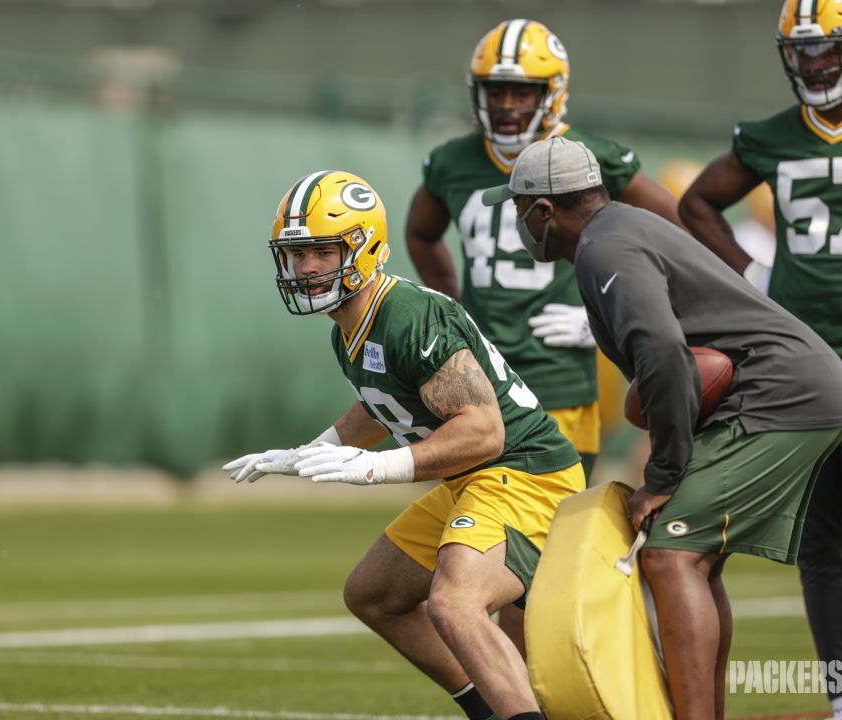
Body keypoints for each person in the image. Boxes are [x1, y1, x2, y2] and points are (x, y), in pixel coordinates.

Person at [484, 136, 842, 720]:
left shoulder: (604, 248)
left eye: (518, 208)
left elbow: (663, 353)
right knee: (695, 558)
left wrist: (663, 474)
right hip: (783, 388)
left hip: (779, 395)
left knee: (671, 554)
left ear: (544, 211)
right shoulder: (618, 229)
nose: (519, 223)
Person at [225, 170, 584, 720]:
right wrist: (306, 453)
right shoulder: (349, 323)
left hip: (524, 472)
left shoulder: (409, 314)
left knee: (455, 603)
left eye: (322, 251)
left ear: (364, 246)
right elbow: (381, 402)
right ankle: (489, 709)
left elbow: (485, 429)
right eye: (297, 255)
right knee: (373, 593)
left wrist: (373, 469)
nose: (307, 268)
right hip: (477, 477)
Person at [678, 2, 842, 717]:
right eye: (803, 51)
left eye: (828, 50)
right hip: (806, 364)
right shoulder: (771, 136)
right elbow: (698, 202)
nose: (814, 64)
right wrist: (751, 275)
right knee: (821, 537)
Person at [406, 18, 682, 487]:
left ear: (552, 92)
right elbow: (421, 232)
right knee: (479, 524)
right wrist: (453, 303)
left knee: (549, 531)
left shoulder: (589, 154)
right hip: (480, 373)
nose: (507, 106)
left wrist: (612, 312)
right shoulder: (453, 162)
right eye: (496, 92)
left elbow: (674, 232)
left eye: (522, 92)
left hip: (558, 373)